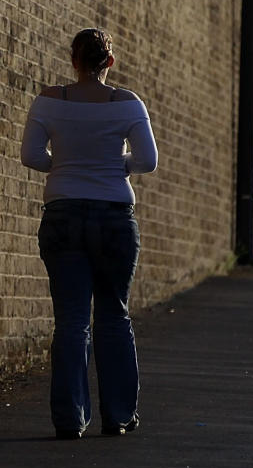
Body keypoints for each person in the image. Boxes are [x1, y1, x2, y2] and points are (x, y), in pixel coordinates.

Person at [20, 28, 158, 439]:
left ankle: (70, 419)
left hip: (62, 215)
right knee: (114, 314)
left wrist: (62, 167)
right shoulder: (127, 104)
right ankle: (118, 416)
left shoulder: (49, 101)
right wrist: (119, 168)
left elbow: (30, 155)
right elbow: (148, 161)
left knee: (71, 320)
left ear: (73, 60)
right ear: (109, 63)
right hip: (115, 218)